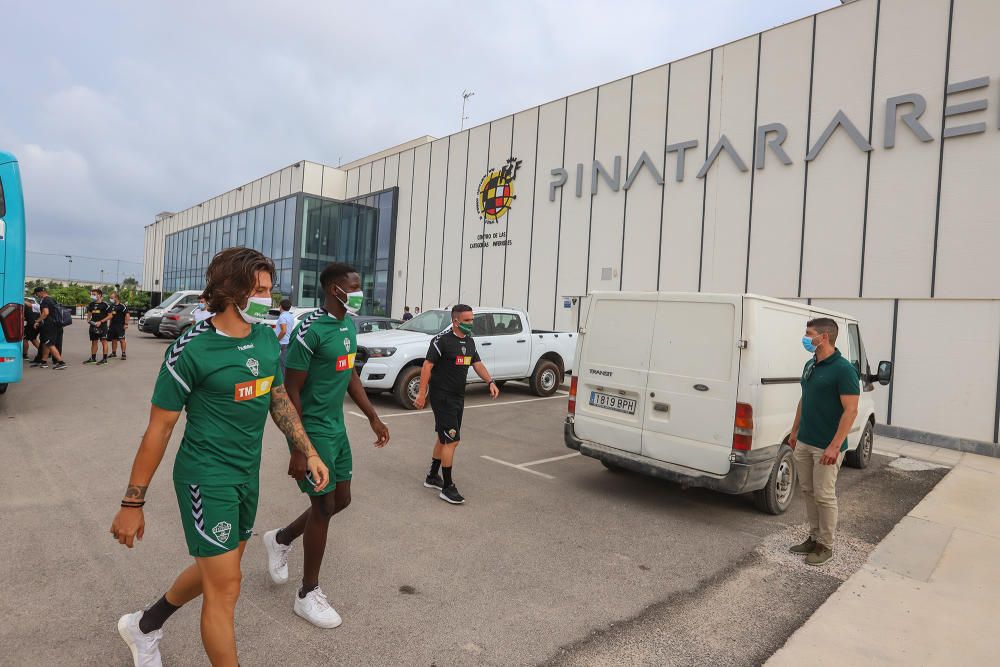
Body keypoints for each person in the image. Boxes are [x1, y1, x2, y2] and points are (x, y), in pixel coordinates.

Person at [110, 248, 330, 666]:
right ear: (231, 291)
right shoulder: (190, 349)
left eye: (270, 288)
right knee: (226, 585)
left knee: (219, 568)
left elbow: (277, 397)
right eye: (260, 290)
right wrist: (132, 502)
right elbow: (159, 429)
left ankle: (144, 625)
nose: (269, 297)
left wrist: (309, 451)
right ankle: (148, 629)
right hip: (204, 477)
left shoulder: (266, 338)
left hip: (246, 476)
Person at [263, 263, 390, 628]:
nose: (359, 291)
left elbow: (349, 374)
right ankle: (307, 594)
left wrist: (373, 416)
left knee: (342, 500)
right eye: (354, 286)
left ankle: (281, 539)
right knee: (323, 505)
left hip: (337, 428)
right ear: (335, 289)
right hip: (313, 429)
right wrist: (298, 447)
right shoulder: (309, 330)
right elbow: (291, 390)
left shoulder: (348, 324)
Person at [787, 318, 860, 566]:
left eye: (809, 334)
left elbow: (851, 411)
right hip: (805, 441)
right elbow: (803, 399)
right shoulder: (811, 365)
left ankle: (825, 545)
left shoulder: (843, 369)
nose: (805, 338)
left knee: (824, 495)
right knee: (808, 491)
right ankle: (813, 536)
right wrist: (794, 431)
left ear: (824, 337)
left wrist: (835, 445)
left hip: (826, 446)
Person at [413, 304, 499, 504]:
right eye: (467, 320)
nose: (471, 323)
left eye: (472, 320)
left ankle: (432, 476)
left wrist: (490, 381)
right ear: (456, 321)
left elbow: (477, 363)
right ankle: (447, 487)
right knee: (452, 440)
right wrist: (421, 393)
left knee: (444, 438)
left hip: (458, 396)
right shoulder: (441, 341)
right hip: (442, 397)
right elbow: (427, 366)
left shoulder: (469, 342)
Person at [32, 286, 67, 370]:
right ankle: (44, 361)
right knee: (46, 343)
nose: (37, 295)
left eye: (36, 294)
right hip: (54, 324)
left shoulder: (45, 300)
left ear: (41, 292)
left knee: (49, 343)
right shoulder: (51, 299)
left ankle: (61, 362)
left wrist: (37, 321)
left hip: (49, 325)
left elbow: (45, 313)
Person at [84, 288, 114, 365]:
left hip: (102, 326)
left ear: (99, 295)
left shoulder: (106, 305)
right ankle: (93, 359)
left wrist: (101, 322)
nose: (92, 296)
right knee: (94, 342)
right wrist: (88, 319)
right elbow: (90, 313)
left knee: (104, 342)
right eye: (92, 294)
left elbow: (110, 316)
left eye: (94, 294)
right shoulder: (91, 304)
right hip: (93, 326)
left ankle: (104, 359)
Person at [107, 292, 130, 360]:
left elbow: (127, 315)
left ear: (116, 298)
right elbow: (111, 316)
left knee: (121, 339)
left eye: (112, 298)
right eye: (110, 298)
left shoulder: (122, 306)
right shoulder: (111, 306)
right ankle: (114, 353)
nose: (111, 299)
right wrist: (109, 325)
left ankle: (123, 354)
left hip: (120, 326)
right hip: (112, 326)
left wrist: (126, 324)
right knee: (114, 340)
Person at [275, 298, 294, 371]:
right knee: (284, 364)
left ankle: (282, 381)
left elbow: (283, 331)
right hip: (287, 342)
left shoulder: (282, 316)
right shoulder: (290, 316)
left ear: (280, 306)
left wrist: (276, 340)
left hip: (281, 343)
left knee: (281, 365)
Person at [23, 296, 40, 361]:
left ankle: (24, 355)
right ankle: (44, 352)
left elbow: (23, 317)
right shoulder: (37, 306)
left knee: (25, 339)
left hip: (31, 325)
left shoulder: (26, 307)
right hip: (37, 324)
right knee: (33, 339)